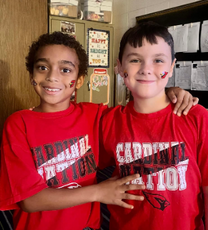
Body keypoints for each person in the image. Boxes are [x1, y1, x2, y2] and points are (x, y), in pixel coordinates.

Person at [0, 31, 198, 230]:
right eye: (42, 67)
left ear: (79, 80)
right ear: (31, 73)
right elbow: (29, 200)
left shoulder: (95, 116)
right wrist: (98, 192)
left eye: (65, 70)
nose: (52, 76)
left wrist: (173, 93)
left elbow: (142, 110)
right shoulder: (18, 124)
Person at [99, 21, 208, 230]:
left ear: (171, 66)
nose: (146, 69)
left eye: (158, 60)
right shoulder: (108, 121)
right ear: (120, 67)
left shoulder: (196, 117)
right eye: (134, 60)